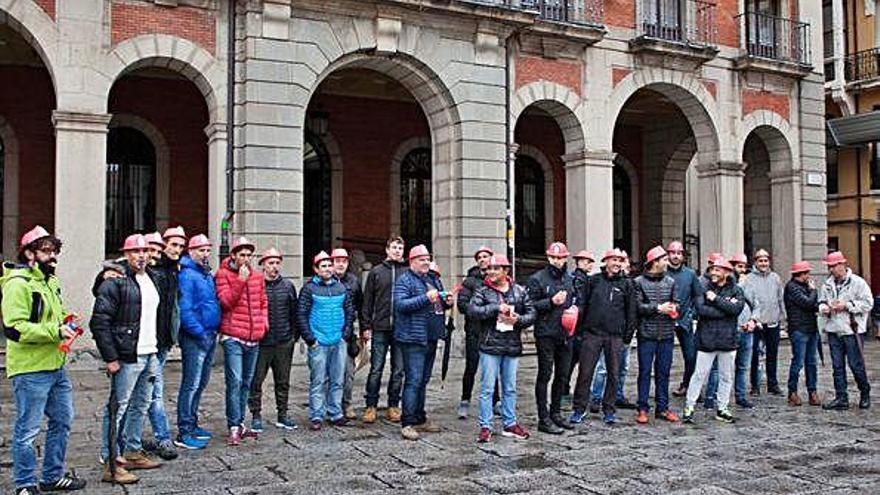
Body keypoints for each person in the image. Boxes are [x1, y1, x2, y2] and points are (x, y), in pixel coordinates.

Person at [5, 226, 87, 494]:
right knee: (27, 430)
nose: (52, 257)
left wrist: (66, 320)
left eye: (54, 251)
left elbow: (51, 315)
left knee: (62, 421)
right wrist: (54, 330)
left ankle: (52, 476)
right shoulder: (18, 284)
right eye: (45, 251)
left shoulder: (50, 281)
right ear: (29, 253)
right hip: (30, 370)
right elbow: (14, 328)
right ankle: (25, 485)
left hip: (55, 365)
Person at [91, 234, 166, 484]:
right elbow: (99, 322)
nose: (142, 255)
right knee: (117, 408)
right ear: (126, 254)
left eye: (145, 251)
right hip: (126, 355)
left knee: (141, 404)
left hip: (150, 351)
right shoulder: (116, 280)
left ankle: (132, 451)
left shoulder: (152, 277)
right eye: (136, 252)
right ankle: (110, 461)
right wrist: (110, 357)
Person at [467, 254, 536, 442]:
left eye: (496, 268)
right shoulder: (482, 291)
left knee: (510, 388)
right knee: (487, 388)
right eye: (489, 268)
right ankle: (486, 426)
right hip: (490, 345)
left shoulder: (520, 291)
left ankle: (510, 423)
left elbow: (531, 313)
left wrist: (518, 320)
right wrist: (496, 308)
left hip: (512, 344)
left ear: (506, 271)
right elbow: (472, 311)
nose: (491, 272)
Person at [570, 249, 636, 426]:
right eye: (614, 260)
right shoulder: (593, 281)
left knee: (613, 374)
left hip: (615, 336)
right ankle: (579, 408)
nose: (617, 263)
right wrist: (580, 331)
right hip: (592, 334)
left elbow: (631, 311)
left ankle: (609, 410)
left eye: (620, 260)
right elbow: (583, 304)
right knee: (585, 373)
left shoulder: (627, 284)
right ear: (605, 261)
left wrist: (627, 335)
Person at [394, 245, 453, 440]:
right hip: (413, 338)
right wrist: (425, 298)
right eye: (422, 259)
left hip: (431, 336)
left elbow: (439, 303)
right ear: (412, 262)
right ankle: (408, 422)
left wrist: (447, 302)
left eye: (428, 259)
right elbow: (401, 305)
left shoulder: (433, 279)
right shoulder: (404, 280)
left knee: (424, 380)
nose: (426, 262)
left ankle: (420, 416)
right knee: (414, 380)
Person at [215, 237, 268, 445]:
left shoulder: (257, 277)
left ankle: (241, 422)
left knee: (247, 382)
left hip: (253, 337)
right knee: (234, 382)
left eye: (249, 255)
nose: (246, 259)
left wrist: (264, 324)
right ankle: (233, 426)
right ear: (234, 256)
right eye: (242, 255)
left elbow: (263, 302)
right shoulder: (223, 274)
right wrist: (240, 281)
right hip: (233, 337)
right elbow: (225, 302)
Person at [682, 257, 744, 424]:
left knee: (726, 376)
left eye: (717, 270)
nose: (713, 273)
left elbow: (737, 309)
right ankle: (689, 406)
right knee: (699, 375)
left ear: (726, 272)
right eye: (712, 270)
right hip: (706, 339)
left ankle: (722, 408)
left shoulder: (736, 290)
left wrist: (715, 300)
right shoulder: (703, 287)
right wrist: (725, 308)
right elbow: (701, 310)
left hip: (727, 340)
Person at [298, 251, 355, 430]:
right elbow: (301, 314)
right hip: (319, 342)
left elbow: (349, 312)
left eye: (329, 265)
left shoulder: (341, 288)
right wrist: (310, 339)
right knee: (318, 380)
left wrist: (346, 334)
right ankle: (316, 415)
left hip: (338, 341)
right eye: (323, 266)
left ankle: (335, 413)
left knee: (338, 379)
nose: (328, 269)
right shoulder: (309, 289)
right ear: (316, 269)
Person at [175, 234, 221, 450]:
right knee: (191, 384)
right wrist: (200, 333)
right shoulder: (187, 275)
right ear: (191, 251)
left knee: (200, 383)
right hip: (196, 337)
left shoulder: (205, 274)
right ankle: (184, 430)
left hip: (209, 334)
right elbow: (185, 309)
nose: (205, 254)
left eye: (207, 250)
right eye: (201, 250)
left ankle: (192, 424)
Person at [139, 231, 180, 461]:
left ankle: (129, 438)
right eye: (149, 249)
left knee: (149, 393)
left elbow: (172, 308)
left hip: (161, 340)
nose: (153, 255)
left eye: (156, 250)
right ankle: (162, 438)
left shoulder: (170, 271)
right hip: (144, 343)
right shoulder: (136, 273)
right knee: (152, 394)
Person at [527, 242, 575, 434]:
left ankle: (556, 413)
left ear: (565, 258)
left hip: (565, 333)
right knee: (545, 374)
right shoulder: (537, 279)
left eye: (560, 257)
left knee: (562, 375)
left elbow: (574, 300)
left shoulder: (569, 279)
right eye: (554, 257)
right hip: (546, 332)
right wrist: (551, 302)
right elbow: (530, 305)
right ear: (548, 258)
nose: (557, 261)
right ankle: (543, 417)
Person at [249, 248, 299, 431]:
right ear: (263, 265)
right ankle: (256, 415)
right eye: (271, 263)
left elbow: (294, 312)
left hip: (284, 341)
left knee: (283, 381)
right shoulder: (255, 284)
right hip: (261, 342)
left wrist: (294, 336)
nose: (274, 267)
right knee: (256, 381)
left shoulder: (287, 286)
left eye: (277, 263)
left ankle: (282, 414)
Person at [362, 236, 407, 424]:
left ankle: (393, 405)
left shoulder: (406, 272)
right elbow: (367, 302)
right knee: (376, 368)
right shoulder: (376, 272)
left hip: (401, 328)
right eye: (394, 247)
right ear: (387, 249)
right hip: (380, 327)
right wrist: (365, 326)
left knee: (398, 370)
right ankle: (370, 405)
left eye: (400, 248)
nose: (397, 251)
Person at [818, 251, 872, 410]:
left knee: (856, 365)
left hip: (851, 330)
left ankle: (865, 393)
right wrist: (824, 308)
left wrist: (846, 306)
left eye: (834, 266)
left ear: (842, 265)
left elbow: (868, 303)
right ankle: (841, 397)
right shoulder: (827, 284)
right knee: (837, 366)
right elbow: (820, 302)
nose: (831, 269)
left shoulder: (858, 283)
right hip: (833, 329)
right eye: (830, 267)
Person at [633, 246, 679, 424]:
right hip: (647, 334)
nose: (667, 263)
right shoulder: (638, 282)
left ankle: (663, 407)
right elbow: (638, 307)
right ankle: (642, 408)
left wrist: (674, 308)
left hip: (666, 334)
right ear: (655, 262)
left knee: (664, 373)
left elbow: (678, 303)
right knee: (644, 372)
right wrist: (658, 308)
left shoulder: (670, 282)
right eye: (664, 260)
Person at [456, 246, 493, 419]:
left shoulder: (496, 279)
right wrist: (483, 310)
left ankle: (496, 401)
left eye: (486, 256)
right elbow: (462, 305)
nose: (483, 259)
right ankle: (465, 400)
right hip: (474, 331)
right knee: (471, 367)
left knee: (493, 368)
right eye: (480, 257)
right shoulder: (470, 281)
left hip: (493, 332)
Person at [744, 249, 786, 396]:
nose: (763, 263)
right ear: (755, 262)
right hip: (757, 323)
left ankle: (772, 384)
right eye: (760, 261)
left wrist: (783, 318)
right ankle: (755, 385)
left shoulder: (775, 278)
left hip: (773, 322)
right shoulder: (748, 279)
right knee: (755, 355)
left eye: (766, 260)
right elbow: (747, 302)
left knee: (772, 354)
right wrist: (752, 319)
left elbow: (780, 299)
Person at [666, 241, 703, 398]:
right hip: (664, 321)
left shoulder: (690, 274)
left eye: (679, 253)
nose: (676, 256)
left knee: (691, 356)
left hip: (684, 320)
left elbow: (698, 296)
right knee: (664, 359)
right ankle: (662, 390)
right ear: (668, 254)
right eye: (673, 252)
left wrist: (693, 313)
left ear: (683, 256)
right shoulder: (662, 272)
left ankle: (687, 385)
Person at [331, 248, 364, 420]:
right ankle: (331, 405)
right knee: (328, 374)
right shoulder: (325, 280)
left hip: (348, 333)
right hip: (328, 333)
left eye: (344, 261)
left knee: (348, 372)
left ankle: (347, 403)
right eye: (337, 261)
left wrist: (365, 329)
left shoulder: (354, 281)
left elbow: (361, 306)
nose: (341, 264)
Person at [784, 261, 820, 407]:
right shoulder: (792, 287)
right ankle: (792, 392)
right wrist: (813, 291)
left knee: (811, 363)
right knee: (798, 362)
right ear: (801, 274)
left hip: (811, 328)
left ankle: (812, 391)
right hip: (799, 329)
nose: (809, 276)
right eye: (807, 273)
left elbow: (814, 304)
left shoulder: (804, 287)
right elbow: (807, 303)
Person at [562, 250, 594, 409]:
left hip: (577, 326)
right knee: (572, 360)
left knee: (571, 360)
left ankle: (564, 389)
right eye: (585, 261)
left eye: (589, 261)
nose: (588, 264)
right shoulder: (579, 279)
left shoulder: (577, 278)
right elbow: (580, 303)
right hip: (578, 326)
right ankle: (564, 390)